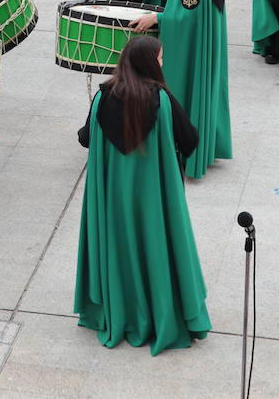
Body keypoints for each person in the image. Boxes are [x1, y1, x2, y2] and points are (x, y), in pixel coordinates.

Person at [74, 34, 209, 354]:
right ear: (150, 63)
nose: (162, 63)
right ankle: (159, 314)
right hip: (153, 199)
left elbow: (85, 139)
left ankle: (118, 311)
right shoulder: (161, 99)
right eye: (160, 59)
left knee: (117, 249)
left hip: (113, 201)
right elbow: (191, 140)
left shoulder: (102, 98)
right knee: (156, 248)